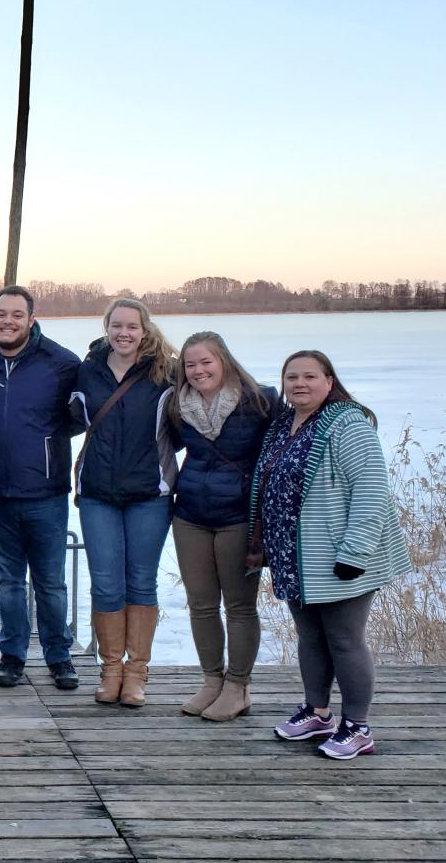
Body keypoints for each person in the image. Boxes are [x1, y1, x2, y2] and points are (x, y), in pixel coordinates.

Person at [252, 351, 412, 760]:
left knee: (344, 639)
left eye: (309, 376)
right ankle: (318, 711)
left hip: (342, 556)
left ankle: (357, 726)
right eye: (291, 377)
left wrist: (355, 551)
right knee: (310, 636)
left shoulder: (348, 424)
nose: (299, 384)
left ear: (329, 380)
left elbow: (372, 491)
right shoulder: (283, 425)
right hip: (297, 557)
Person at [0, 286, 83, 691]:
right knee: (8, 583)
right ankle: (12, 654)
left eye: (17, 315)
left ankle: (59, 655)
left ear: (31, 319)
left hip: (46, 493)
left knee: (50, 582)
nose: (8, 321)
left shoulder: (62, 363)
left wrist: (46, 445)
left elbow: (80, 416)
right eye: (1, 314)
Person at [70, 298, 177, 708]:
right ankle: (110, 669)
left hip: (150, 494)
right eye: (117, 325)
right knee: (106, 583)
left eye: (132, 326)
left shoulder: (166, 372)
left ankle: (137, 672)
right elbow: (63, 417)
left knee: (140, 581)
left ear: (144, 329)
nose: (124, 333)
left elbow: (190, 418)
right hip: (97, 494)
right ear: (106, 327)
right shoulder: (87, 371)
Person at [168, 332, 279, 721]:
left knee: (239, 606)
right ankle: (211, 681)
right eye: (190, 365)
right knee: (200, 605)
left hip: (238, 516)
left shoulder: (261, 400)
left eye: (205, 362)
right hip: (191, 515)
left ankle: (238, 686)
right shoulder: (178, 407)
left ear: (224, 361)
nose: (198, 371)